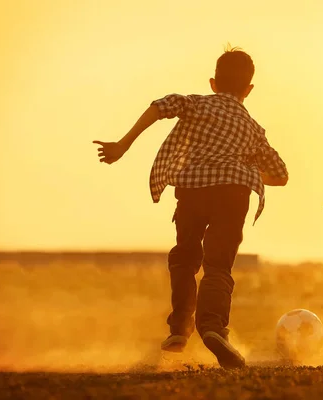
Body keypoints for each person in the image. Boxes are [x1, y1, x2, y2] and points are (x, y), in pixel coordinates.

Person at [93, 48, 288, 369]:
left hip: (193, 192)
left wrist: (123, 144)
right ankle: (213, 328)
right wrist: (246, 170)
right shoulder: (253, 128)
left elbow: (159, 107)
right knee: (218, 265)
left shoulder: (198, 103)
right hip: (233, 196)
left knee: (185, 256)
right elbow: (281, 175)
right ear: (249, 90)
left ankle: (180, 329)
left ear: (213, 83)